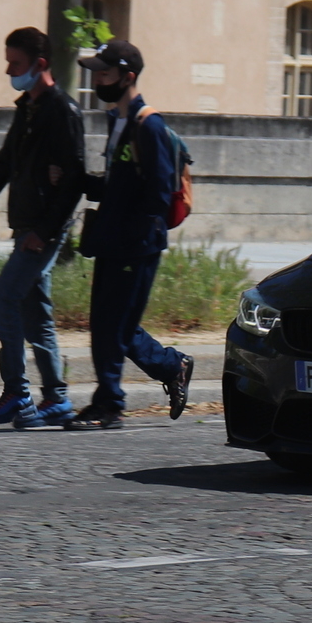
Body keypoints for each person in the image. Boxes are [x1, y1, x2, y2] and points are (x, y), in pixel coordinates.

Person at [0, 26, 85, 429]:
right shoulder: (27, 108)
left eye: (16, 63)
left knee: (0, 305)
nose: (10, 70)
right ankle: (56, 400)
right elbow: (4, 165)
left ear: (40, 64)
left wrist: (46, 230)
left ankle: (18, 394)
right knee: (35, 314)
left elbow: (73, 180)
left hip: (41, 230)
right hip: (25, 225)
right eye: (8, 62)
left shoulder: (63, 112)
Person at [69, 40, 197, 430]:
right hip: (113, 239)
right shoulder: (117, 121)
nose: (97, 81)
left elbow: (158, 193)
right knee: (109, 325)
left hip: (136, 244)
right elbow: (118, 184)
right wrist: (79, 181)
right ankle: (173, 366)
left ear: (127, 77)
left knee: (114, 328)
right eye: (95, 74)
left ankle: (110, 404)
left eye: (104, 74)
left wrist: (129, 233)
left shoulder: (148, 126)